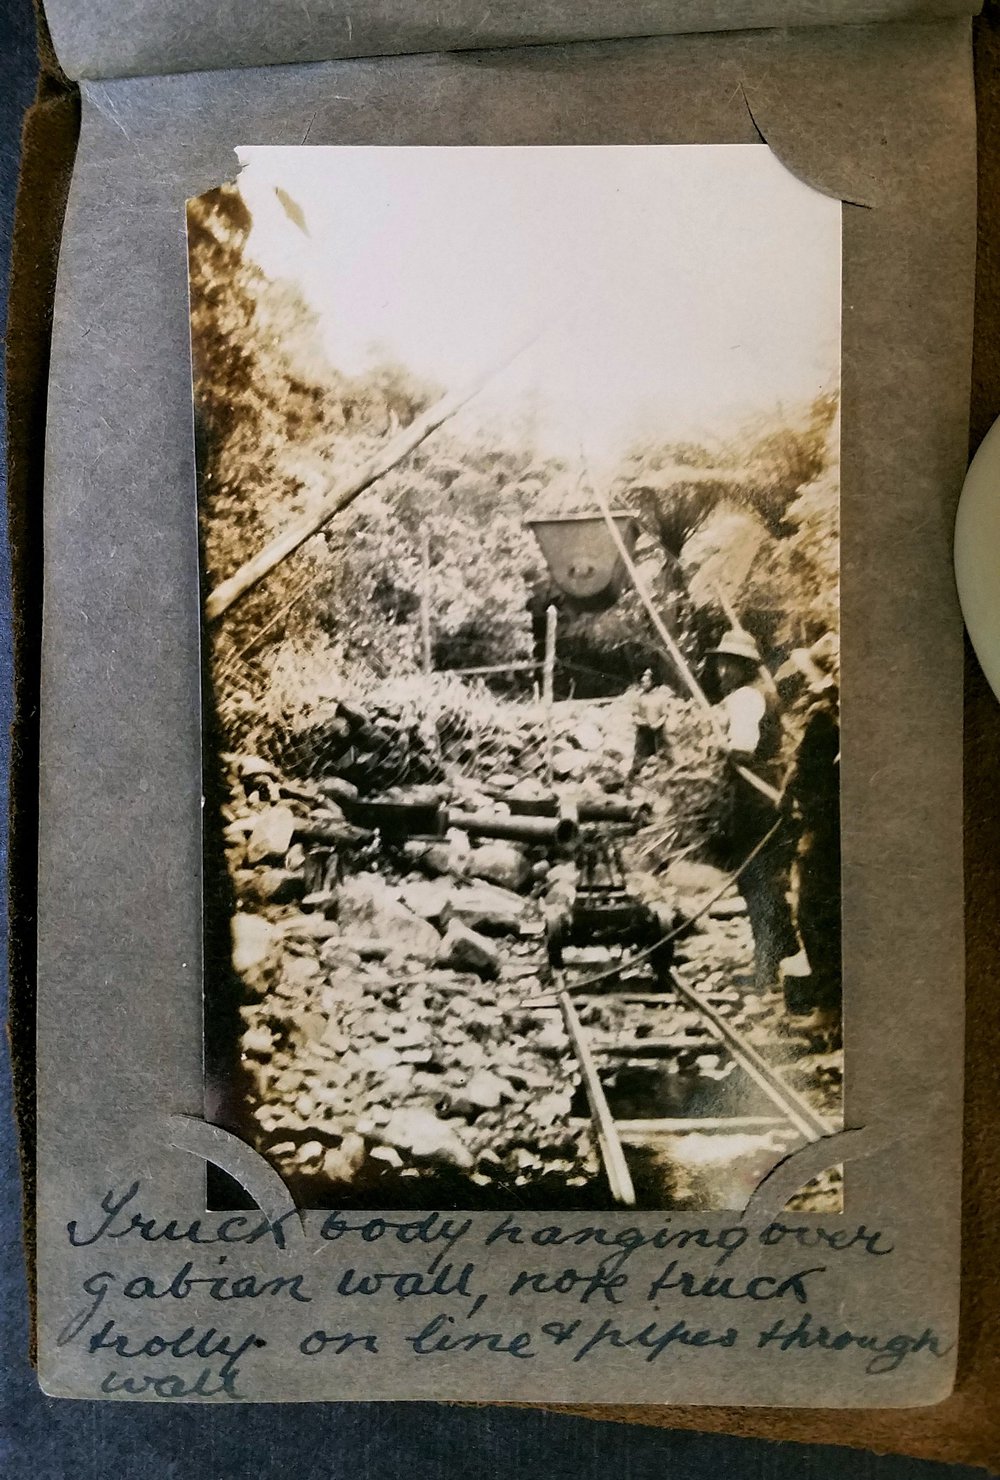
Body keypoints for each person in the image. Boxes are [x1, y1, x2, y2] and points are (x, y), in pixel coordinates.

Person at [708, 628, 797, 996]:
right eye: (722, 665)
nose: (723, 672)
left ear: (746, 668)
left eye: (731, 665)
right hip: (770, 793)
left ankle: (767, 969)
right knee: (766, 882)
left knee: (757, 883)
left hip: (755, 800)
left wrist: (721, 745)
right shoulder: (765, 694)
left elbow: (742, 750)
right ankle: (782, 959)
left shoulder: (745, 698)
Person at [780, 639, 842, 1026]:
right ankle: (833, 1006)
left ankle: (829, 1008)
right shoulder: (832, 718)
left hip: (825, 832)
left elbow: (810, 779)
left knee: (815, 915)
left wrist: (808, 829)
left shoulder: (825, 722)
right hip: (832, 829)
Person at [630, 668, 672, 776]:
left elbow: (665, 715)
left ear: (652, 682)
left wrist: (658, 724)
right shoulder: (639, 697)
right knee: (639, 757)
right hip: (643, 731)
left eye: (646, 682)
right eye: (642, 682)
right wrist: (640, 722)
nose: (643, 684)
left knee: (659, 757)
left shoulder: (661, 697)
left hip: (657, 732)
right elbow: (634, 714)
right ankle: (634, 778)